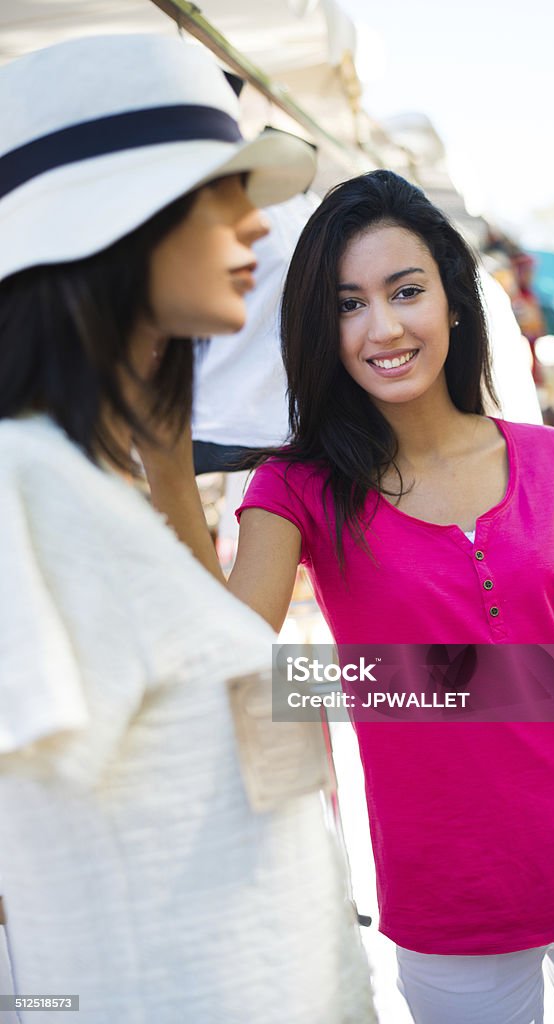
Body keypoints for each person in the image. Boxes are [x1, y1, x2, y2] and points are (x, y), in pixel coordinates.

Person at [224, 170, 554, 1023]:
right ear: (320, 329)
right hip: (449, 901)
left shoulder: (552, 461)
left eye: (406, 292)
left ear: (454, 301)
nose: (384, 327)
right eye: (349, 303)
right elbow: (228, 655)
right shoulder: (293, 489)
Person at [0, 33, 375, 1024]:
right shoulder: (22, 487)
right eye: (221, 190)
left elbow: (244, 736)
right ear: (118, 218)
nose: (256, 222)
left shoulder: (94, 486)